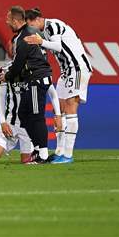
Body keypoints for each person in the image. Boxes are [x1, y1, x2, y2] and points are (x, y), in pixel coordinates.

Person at [24, 8, 93, 164]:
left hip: (77, 68)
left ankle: (68, 155)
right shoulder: (44, 32)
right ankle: (59, 151)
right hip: (66, 71)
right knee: (60, 110)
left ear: (37, 19)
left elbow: (58, 47)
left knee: (70, 108)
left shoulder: (53, 25)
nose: (31, 28)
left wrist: (40, 41)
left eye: (30, 24)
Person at [0, 6, 52, 165]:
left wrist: (7, 76)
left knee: (36, 116)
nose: (7, 23)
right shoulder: (31, 32)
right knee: (23, 113)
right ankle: (37, 149)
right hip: (34, 78)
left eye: (8, 20)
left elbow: (18, 64)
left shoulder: (23, 38)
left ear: (15, 21)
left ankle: (42, 154)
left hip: (37, 79)